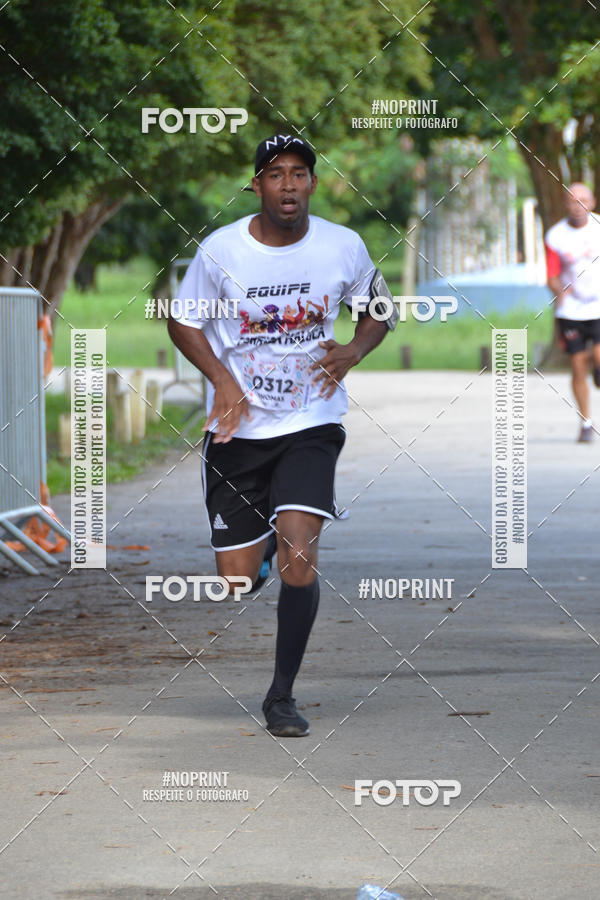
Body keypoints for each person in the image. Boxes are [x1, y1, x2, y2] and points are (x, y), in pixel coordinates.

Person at [168, 133, 395, 737]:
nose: (288, 185)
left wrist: (351, 350)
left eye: (299, 173)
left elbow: (379, 308)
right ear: (256, 185)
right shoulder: (221, 251)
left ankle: (281, 697)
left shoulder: (343, 246)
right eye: (274, 174)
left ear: (313, 183)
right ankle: (262, 541)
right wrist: (221, 379)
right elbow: (182, 320)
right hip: (239, 430)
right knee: (238, 579)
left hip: (311, 422)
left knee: (301, 553)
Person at [545, 183, 600, 442]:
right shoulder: (556, 236)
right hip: (571, 310)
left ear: (593, 202)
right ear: (565, 205)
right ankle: (586, 423)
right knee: (578, 366)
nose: (578, 206)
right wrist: (559, 289)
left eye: (583, 200)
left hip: (598, 306)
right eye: (572, 201)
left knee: (598, 356)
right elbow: (552, 275)